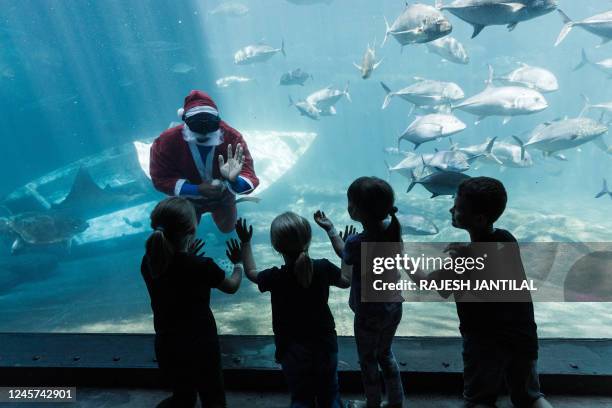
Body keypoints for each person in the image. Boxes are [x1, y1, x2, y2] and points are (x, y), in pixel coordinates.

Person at [411, 177, 553, 408]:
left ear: (477, 218)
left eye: (457, 208)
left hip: (484, 342)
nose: (451, 209)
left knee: (479, 400)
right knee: (530, 396)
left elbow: (427, 284)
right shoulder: (507, 239)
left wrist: (403, 260)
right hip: (522, 334)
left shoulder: (461, 262)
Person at [234, 213, 350, 408]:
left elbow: (251, 273)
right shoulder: (323, 268)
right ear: (308, 239)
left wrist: (245, 243)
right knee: (330, 395)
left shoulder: (275, 277)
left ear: (275, 246)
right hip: (324, 344)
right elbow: (346, 281)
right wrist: (343, 247)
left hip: (291, 349)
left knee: (301, 398)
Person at [141, 197, 243, 408]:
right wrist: (238, 264)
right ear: (191, 231)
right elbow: (232, 286)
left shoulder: (149, 261)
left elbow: (175, 271)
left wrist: (187, 255)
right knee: (213, 399)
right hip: (201, 346)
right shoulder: (202, 266)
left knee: (183, 396)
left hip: (167, 343)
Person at [315, 176, 405, 408]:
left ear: (355, 210)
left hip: (368, 313)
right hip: (393, 307)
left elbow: (343, 253)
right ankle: (396, 401)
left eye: (350, 203)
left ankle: (372, 403)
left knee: (367, 360)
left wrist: (332, 231)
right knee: (385, 354)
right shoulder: (393, 230)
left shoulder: (357, 242)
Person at [149, 90, 259, 233]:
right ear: (185, 121)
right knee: (183, 235)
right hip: (187, 200)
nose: (204, 131)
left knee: (227, 228)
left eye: (210, 125)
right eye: (197, 124)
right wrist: (196, 189)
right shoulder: (166, 141)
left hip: (223, 197)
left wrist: (234, 180)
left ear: (218, 121)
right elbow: (159, 178)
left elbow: (250, 177)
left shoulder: (233, 138)